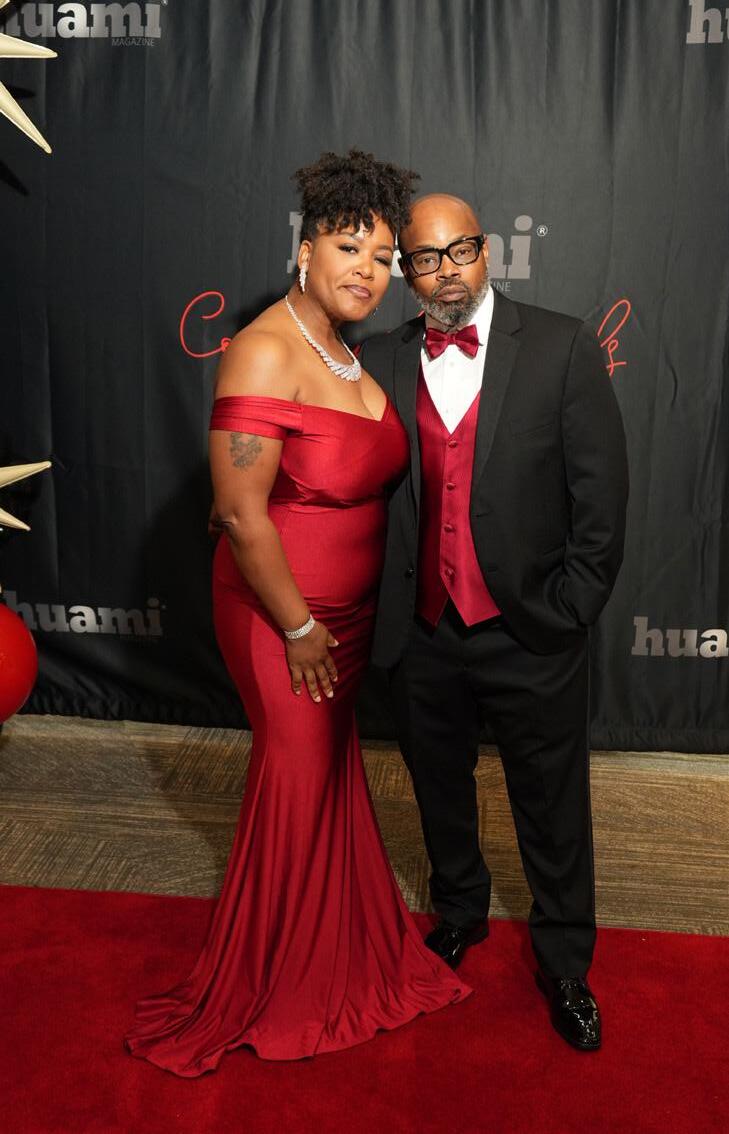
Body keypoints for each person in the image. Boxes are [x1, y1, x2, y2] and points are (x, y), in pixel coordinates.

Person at [124, 155, 470, 1077]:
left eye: (383, 257)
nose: (367, 270)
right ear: (305, 247)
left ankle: (340, 951)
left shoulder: (349, 353)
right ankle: (279, 981)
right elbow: (240, 514)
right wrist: (298, 628)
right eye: (348, 247)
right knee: (296, 780)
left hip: (345, 620)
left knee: (326, 783)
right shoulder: (264, 348)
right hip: (283, 620)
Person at [358, 193, 629, 1052]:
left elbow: (600, 498)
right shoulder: (379, 358)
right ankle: (460, 912)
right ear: (405, 272)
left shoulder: (560, 346)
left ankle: (564, 961)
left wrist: (569, 609)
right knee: (438, 787)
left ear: (486, 253)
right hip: (422, 630)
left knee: (551, 804)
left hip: (530, 630)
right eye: (424, 258)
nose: (445, 271)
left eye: (460, 250)